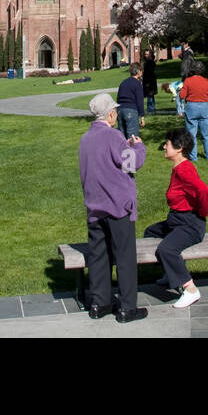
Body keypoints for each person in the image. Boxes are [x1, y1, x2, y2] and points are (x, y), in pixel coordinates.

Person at [78, 92, 148, 322]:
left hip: (94, 206)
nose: (116, 114)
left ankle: (100, 303)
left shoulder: (85, 139)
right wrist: (138, 147)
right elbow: (130, 164)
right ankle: (128, 307)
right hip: (117, 206)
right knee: (125, 256)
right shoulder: (114, 136)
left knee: (99, 255)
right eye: (115, 111)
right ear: (110, 114)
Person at [144, 128, 208, 309]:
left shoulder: (184, 170)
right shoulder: (179, 167)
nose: (164, 146)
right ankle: (171, 272)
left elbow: (203, 191)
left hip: (189, 224)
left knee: (166, 250)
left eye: (167, 143)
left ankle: (190, 290)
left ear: (179, 147)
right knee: (150, 232)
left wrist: (201, 213)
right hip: (177, 220)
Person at [180, 64, 208, 162]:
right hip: (204, 107)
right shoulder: (206, 81)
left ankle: (193, 157)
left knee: (191, 134)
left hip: (191, 107)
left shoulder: (188, 81)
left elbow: (182, 95)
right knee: (206, 134)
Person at [116, 62, 145, 139]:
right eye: (141, 71)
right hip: (131, 111)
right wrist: (142, 116)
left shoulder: (123, 83)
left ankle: (122, 151)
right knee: (132, 138)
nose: (142, 73)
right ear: (138, 72)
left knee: (122, 138)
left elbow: (118, 98)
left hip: (120, 110)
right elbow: (140, 101)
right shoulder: (137, 84)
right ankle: (131, 151)